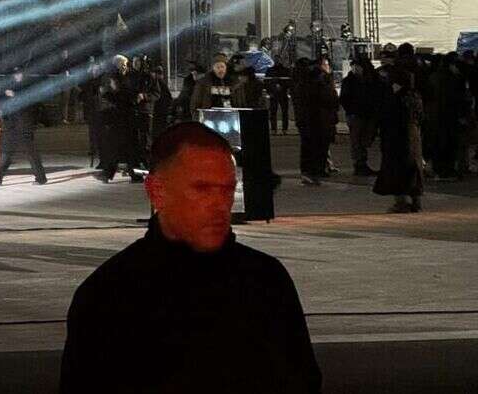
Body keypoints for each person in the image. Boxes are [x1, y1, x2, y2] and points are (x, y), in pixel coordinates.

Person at [60, 122, 321, 394]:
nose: (220, 205)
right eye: (202, 189)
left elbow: (303, 379)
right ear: (157, 191)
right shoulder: (109, 294)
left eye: (227, 190)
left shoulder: (266, 280)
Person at [374, 69, 424, 213]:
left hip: (396, 137)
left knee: (397, 169)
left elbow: (385, 114)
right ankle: (416, 202)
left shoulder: (395, 96)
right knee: (413, 168)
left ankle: (401, 202)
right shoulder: (414, 95)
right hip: (413, 136)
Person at [0, 68, 47, 185]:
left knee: (30, 151)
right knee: (7, 151)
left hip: (24, 123)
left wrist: (15, 95)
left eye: (19, 74)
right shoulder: (10, 85)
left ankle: (41, 178)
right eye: (15, 75)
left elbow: (30, 100)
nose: (17, 76)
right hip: (11, 123)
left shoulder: (27, 86)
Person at [94, 56, 139, 182]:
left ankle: (112, 174)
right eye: (123, 64)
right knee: (121, 148)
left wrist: (107, 94)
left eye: (126, 64)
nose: (125, 66)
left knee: (122, 148)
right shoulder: (119, 78)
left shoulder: (125, 79)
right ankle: (111, 174)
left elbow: (122, 98)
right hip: (121, 118)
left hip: (125, 118)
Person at [295, 58, 339, 186]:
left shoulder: (302, 83)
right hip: (318, 120)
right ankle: (313, 172)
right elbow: (330, 100)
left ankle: (311, 172)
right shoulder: (318, 83)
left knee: (310, 147)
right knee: (316, 147)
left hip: (311, 120)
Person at [340, 56, 380, 176]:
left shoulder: (370, 80)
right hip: (356, 114)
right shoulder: (350, 81)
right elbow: (344, 99)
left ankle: (361, 163)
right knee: (357, 140)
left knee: (364, 139)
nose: (355, 69)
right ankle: (359, 164)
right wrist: (351, 110)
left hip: (366, 114)